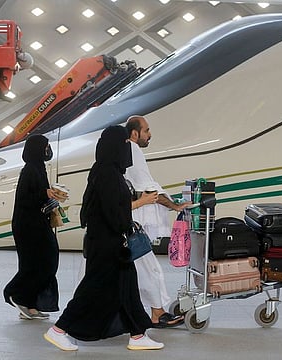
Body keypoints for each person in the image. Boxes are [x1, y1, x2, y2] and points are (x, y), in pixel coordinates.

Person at [44, 125, 164, 351]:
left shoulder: (104, 171)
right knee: (93, 288)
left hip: (109, 243)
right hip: (107, 244)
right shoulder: (109, 175)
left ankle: (138, 334)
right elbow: (114, 212)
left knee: (127, 287)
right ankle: (59, 329)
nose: (128, 148)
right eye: (125, 143)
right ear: (116, 146)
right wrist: (132, 215)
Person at [125, 115, 191, 328]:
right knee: (149, 269)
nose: (150, 134)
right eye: (147, 130)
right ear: (135, 133)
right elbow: (148, 188)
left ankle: (155, 311)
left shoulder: (122, 151)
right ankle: (157, 313)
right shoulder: (132, 150)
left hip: (124, 222)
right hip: (133, 224)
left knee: (140, 270)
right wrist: (175, 206)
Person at [3, 134, 61, 320]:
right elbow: (25, 199)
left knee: (39, 263)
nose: (48, 150)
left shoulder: (38, 169)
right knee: (41, 263)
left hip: (36, 223)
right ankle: (15, 293)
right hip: (28, 226)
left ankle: (30, 304)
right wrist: (44, 193)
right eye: (46, 146)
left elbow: (37, 196)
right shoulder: (30, 170)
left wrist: (49, 195)